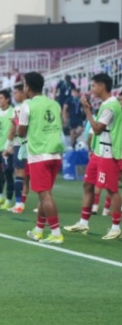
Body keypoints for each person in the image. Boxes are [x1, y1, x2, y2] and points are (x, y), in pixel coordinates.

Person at [64, 73, 122, 240]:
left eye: (93, 86)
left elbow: (97, 129)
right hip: (99, 152)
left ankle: (116, 227)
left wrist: (87, 110)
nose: (92, 89)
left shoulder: (111, 106)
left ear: (102, 86)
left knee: (112, 190)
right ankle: (83, 223)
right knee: (88, 185)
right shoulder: (107, 104)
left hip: (108, 153)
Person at [19, 72, 65, 244]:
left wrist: (17, 123)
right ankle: (38, 230)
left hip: (39, 154)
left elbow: (21, 132)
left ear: (27, 87)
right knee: (45, 194)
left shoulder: (27, 105)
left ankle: (56, 233)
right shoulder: (55, 104)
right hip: (55, 154)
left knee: (44, 195)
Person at [3, 84, 30, 213]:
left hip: (21, 144)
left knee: (19, 174)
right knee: (28, 176)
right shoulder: (34, 105)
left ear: (23, 92)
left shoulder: (19, 108)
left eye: (16, 93)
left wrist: (7, 146)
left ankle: (19, 204)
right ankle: (22, 204)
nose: (14, 96)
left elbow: (13, 129)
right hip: (35, 144)